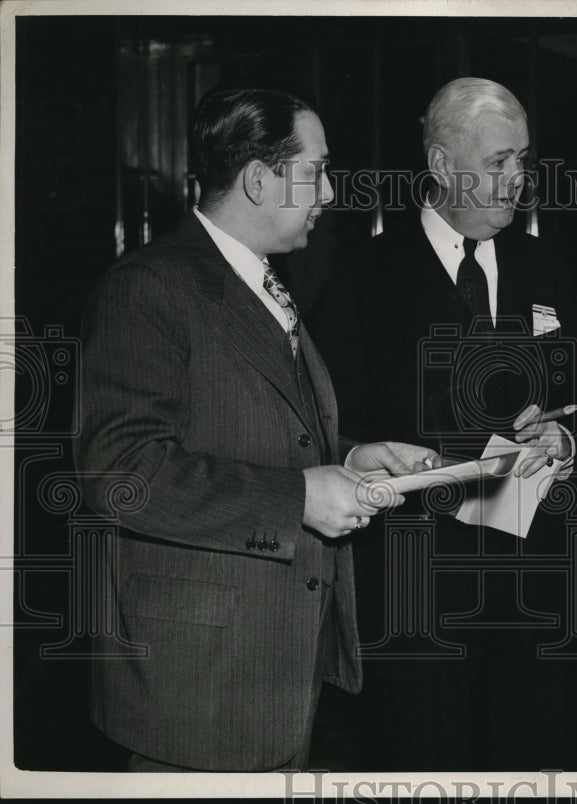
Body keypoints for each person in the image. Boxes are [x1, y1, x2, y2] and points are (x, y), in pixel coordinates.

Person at [74, 85, 439, 772]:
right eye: (317, 171)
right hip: (198, 686)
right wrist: (300, 498)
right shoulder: (149, 287)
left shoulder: (259, 282)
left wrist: (357, 457)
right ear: (258, 179)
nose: (328, 193)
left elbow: (264, 432)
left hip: (270, 666)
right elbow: (121, 471)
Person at [309, 77, 577, 770]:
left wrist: (564, 436)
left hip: (535, 598)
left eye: (523, 160)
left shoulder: (545, 266)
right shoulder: (363, 277)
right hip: (418, 602)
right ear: (442, 166)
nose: (518, 180)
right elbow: (325, 428)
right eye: (498, 161)